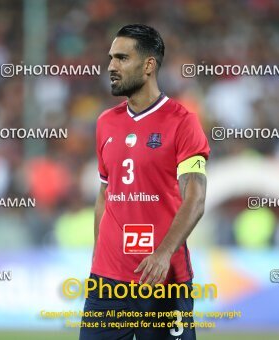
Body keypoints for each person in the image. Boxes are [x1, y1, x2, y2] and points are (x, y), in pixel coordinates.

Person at [80, 24, 209, 340]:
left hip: (163, 280)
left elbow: (195, 198)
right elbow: (105, 193)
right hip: (107, 284)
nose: (111, 66)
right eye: (111, 58)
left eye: (122, 58)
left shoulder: (182, 122)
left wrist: (163, 253)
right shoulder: (105, 123)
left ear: (149, 65)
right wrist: (99, 258)